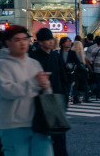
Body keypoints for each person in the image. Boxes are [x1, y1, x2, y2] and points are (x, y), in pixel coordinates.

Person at [0, 25, 53, 156]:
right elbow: (7, 91)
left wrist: (45, 86)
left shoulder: (34, 63)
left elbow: (45, 92)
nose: (22, 43)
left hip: (38, 123)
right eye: (17, 40)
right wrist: (34, 82)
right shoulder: (2, 65)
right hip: (13, 124)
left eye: (25, 39)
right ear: (8, 42)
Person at [29, 28, 68, 156]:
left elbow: (63, 76)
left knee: (59, 133)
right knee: (42, 133)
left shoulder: (55, 56)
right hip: (40, 100)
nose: (50, 42)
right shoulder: (33, 58)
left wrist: (64, 94)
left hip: (56, 98)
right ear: (40, 42)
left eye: (51, 39)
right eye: (47, 39)